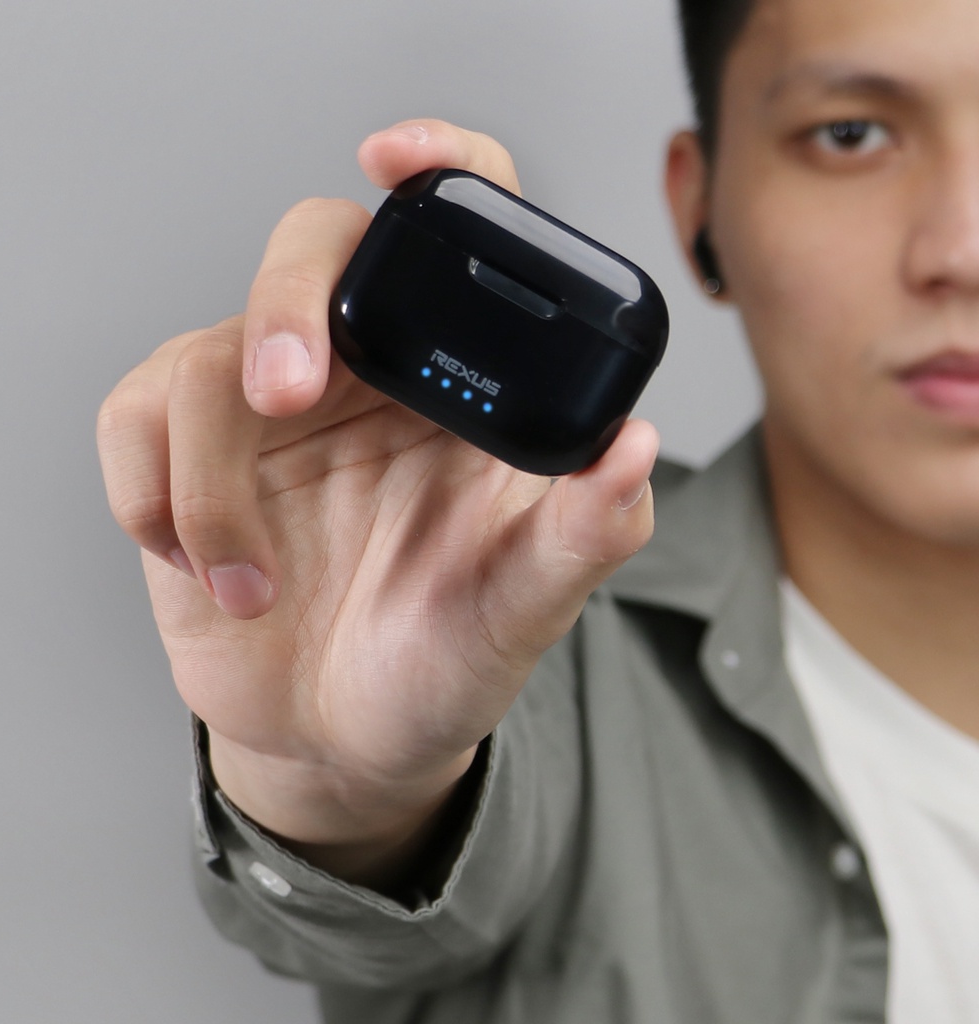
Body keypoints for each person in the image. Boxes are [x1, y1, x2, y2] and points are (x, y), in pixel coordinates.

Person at [96, 0, 979, 1019]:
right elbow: (414, 902)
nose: (962, 250)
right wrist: (340, 790)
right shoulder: (513, 635)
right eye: (850, 133)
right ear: (701, 209)